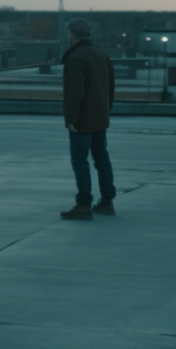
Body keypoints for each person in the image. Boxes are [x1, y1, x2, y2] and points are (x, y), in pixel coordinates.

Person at [60, 18, 116, 220]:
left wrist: (71, 119)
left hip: (83, 120)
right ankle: (107, 202)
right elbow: (110, 90)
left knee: (80, 160)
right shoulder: (102, 56)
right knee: (101, 158)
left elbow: (74, 93)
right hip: (101, 118)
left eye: (68, 33)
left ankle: (83, 204)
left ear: (73, 35)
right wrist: (105, 112)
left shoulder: (76, 58)